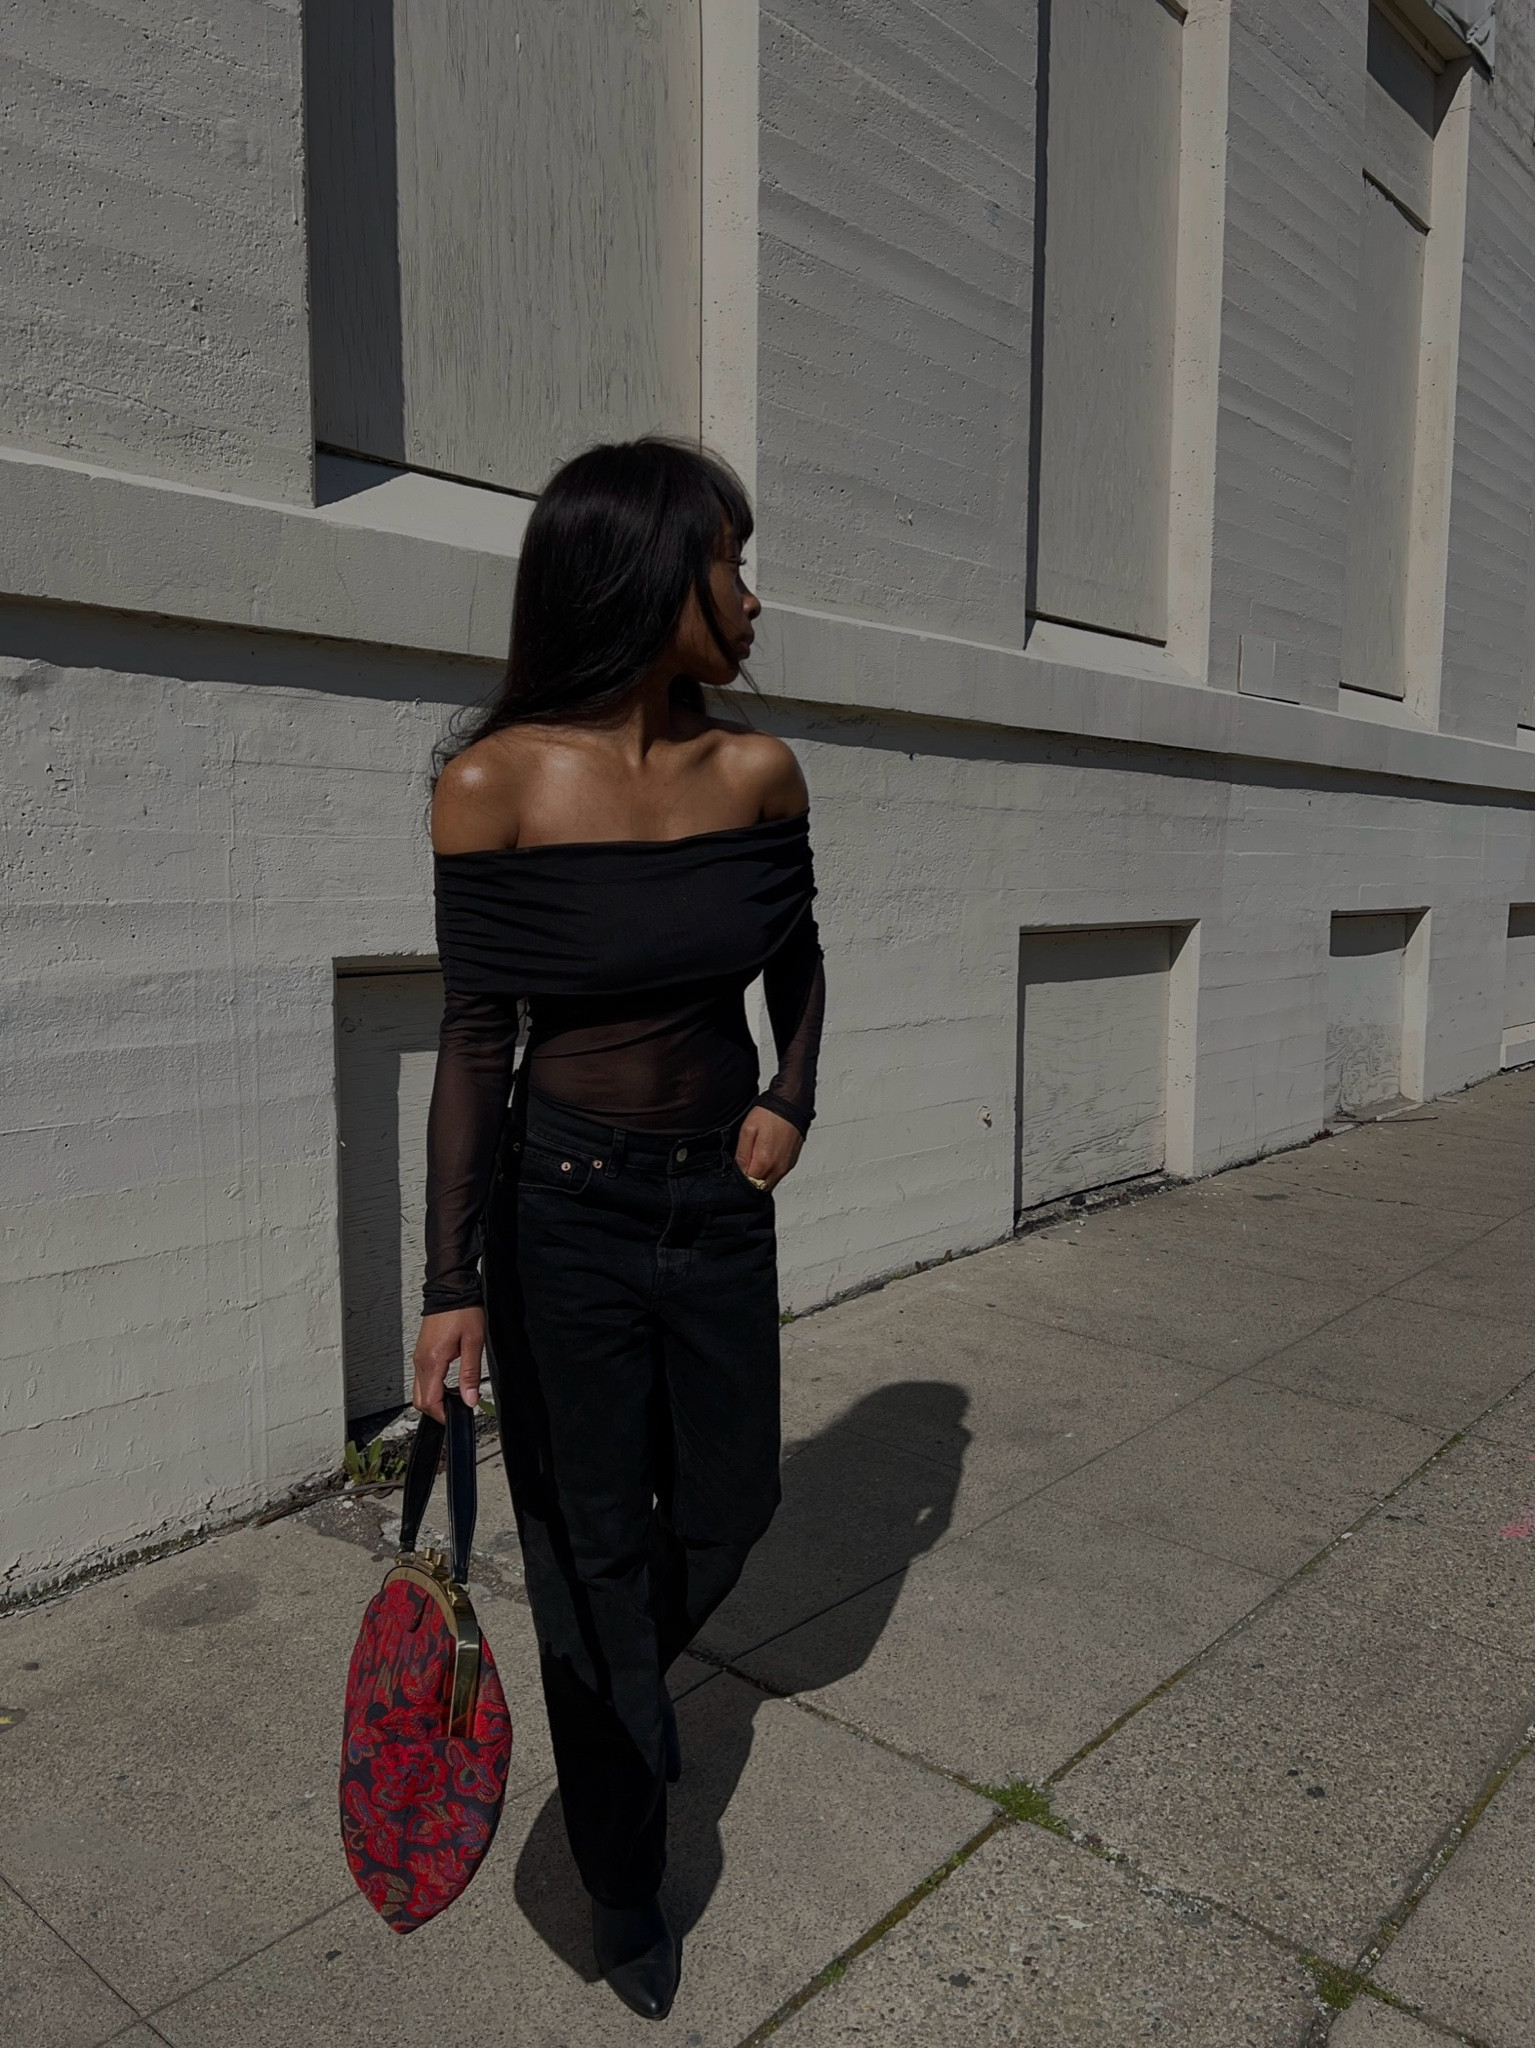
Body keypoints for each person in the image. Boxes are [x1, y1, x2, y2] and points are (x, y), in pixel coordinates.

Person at [410, 440, 825, 2020]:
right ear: (656, 578)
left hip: (717, 1202)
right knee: (588, 1545)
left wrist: (791, 1091)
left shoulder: (759, 774)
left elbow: (799, 959)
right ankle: (627, 1879)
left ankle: (605, 1679)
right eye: (732, 562)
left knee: (730, 1504)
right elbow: (472, 1040)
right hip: (562, 1211)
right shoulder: (492, 785)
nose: (752, 593)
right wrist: (451, 1282)